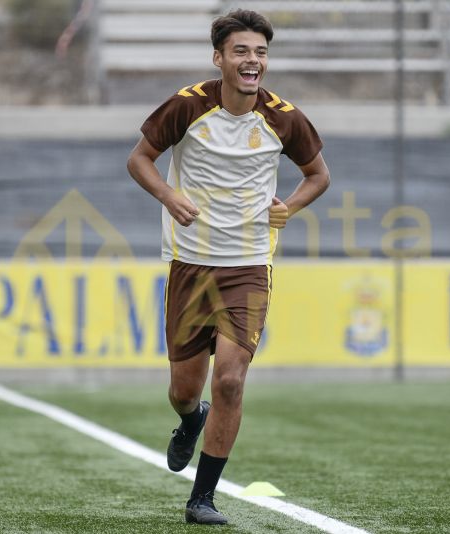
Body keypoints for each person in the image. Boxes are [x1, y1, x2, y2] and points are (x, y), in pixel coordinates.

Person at [126, 9, 330, 526]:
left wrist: (292, 206)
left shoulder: (283, 116)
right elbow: (139, 159)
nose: (252, 61)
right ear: (219, 58)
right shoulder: (187, 106)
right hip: (190, 265)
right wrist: (169, 196)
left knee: (232, 381)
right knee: (184, 391)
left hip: (248, 266)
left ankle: (202, 498)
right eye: (241, 51)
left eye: (260, 52)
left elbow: (318, 175)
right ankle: (189, 420)